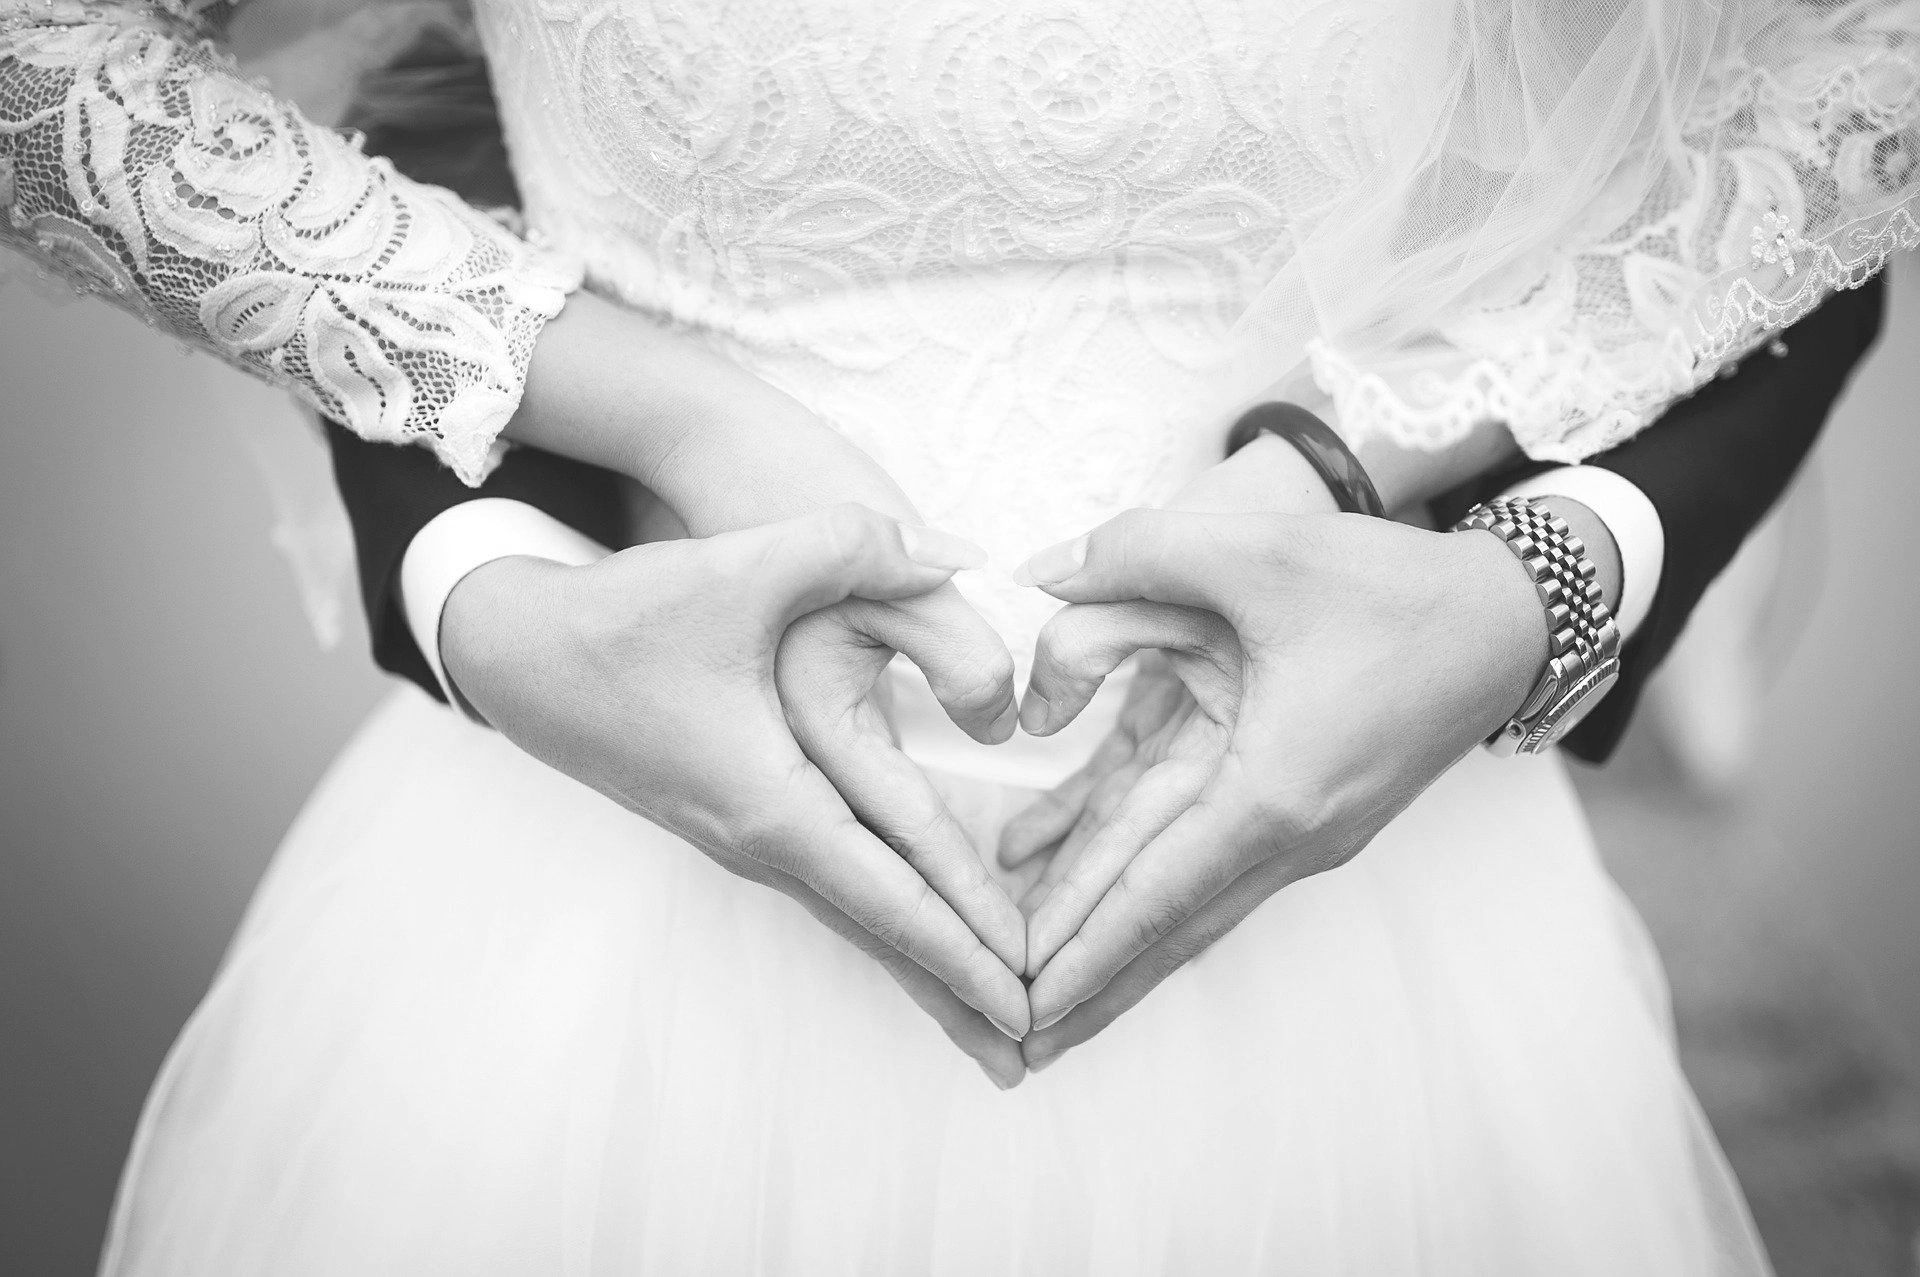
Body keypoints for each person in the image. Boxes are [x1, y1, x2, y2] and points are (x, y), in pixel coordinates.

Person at [2, 1, 1913, 1272]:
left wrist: (1497, 570)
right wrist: (635, 441)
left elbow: (1845, 79)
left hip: (1372, 895)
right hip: (601, 893)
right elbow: (53, 68)